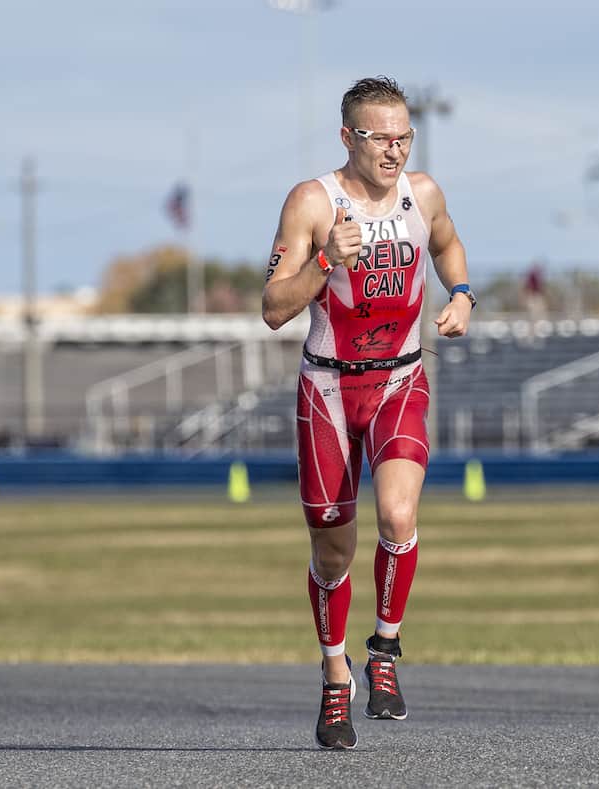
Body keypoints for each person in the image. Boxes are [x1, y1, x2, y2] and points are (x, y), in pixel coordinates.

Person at [261, 76, 473, 750]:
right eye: (381, 137)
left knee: (400, 514)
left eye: (403, 136)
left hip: (400, 379)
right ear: (348, 137)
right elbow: (272, 308)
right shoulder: (311, 201)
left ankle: (383, 646)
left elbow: (446, 243)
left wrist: (463, 293)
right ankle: (334, 675)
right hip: (327, 388)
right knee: (331, 549)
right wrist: (325, 261)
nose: (394, 149)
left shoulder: (424, 192)